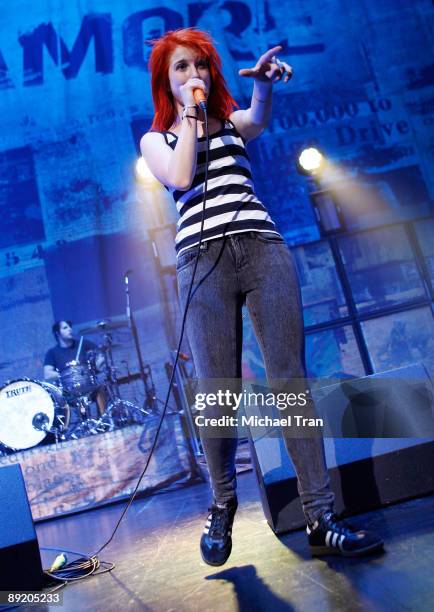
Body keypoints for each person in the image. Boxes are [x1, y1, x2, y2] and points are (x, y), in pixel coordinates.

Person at [141, 28, 383, 566]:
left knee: (289, 380)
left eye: (199, 66)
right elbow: (182, 174)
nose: (193, 75)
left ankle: (321, 514)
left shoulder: (227, 122)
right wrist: (192, 115)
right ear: (166, 80)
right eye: (181, 68)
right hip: (201, 263)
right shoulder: (156, 140)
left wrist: (266, 85)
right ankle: (223, 503)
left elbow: (258, 118)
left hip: (262, 246)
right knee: (220, 394)